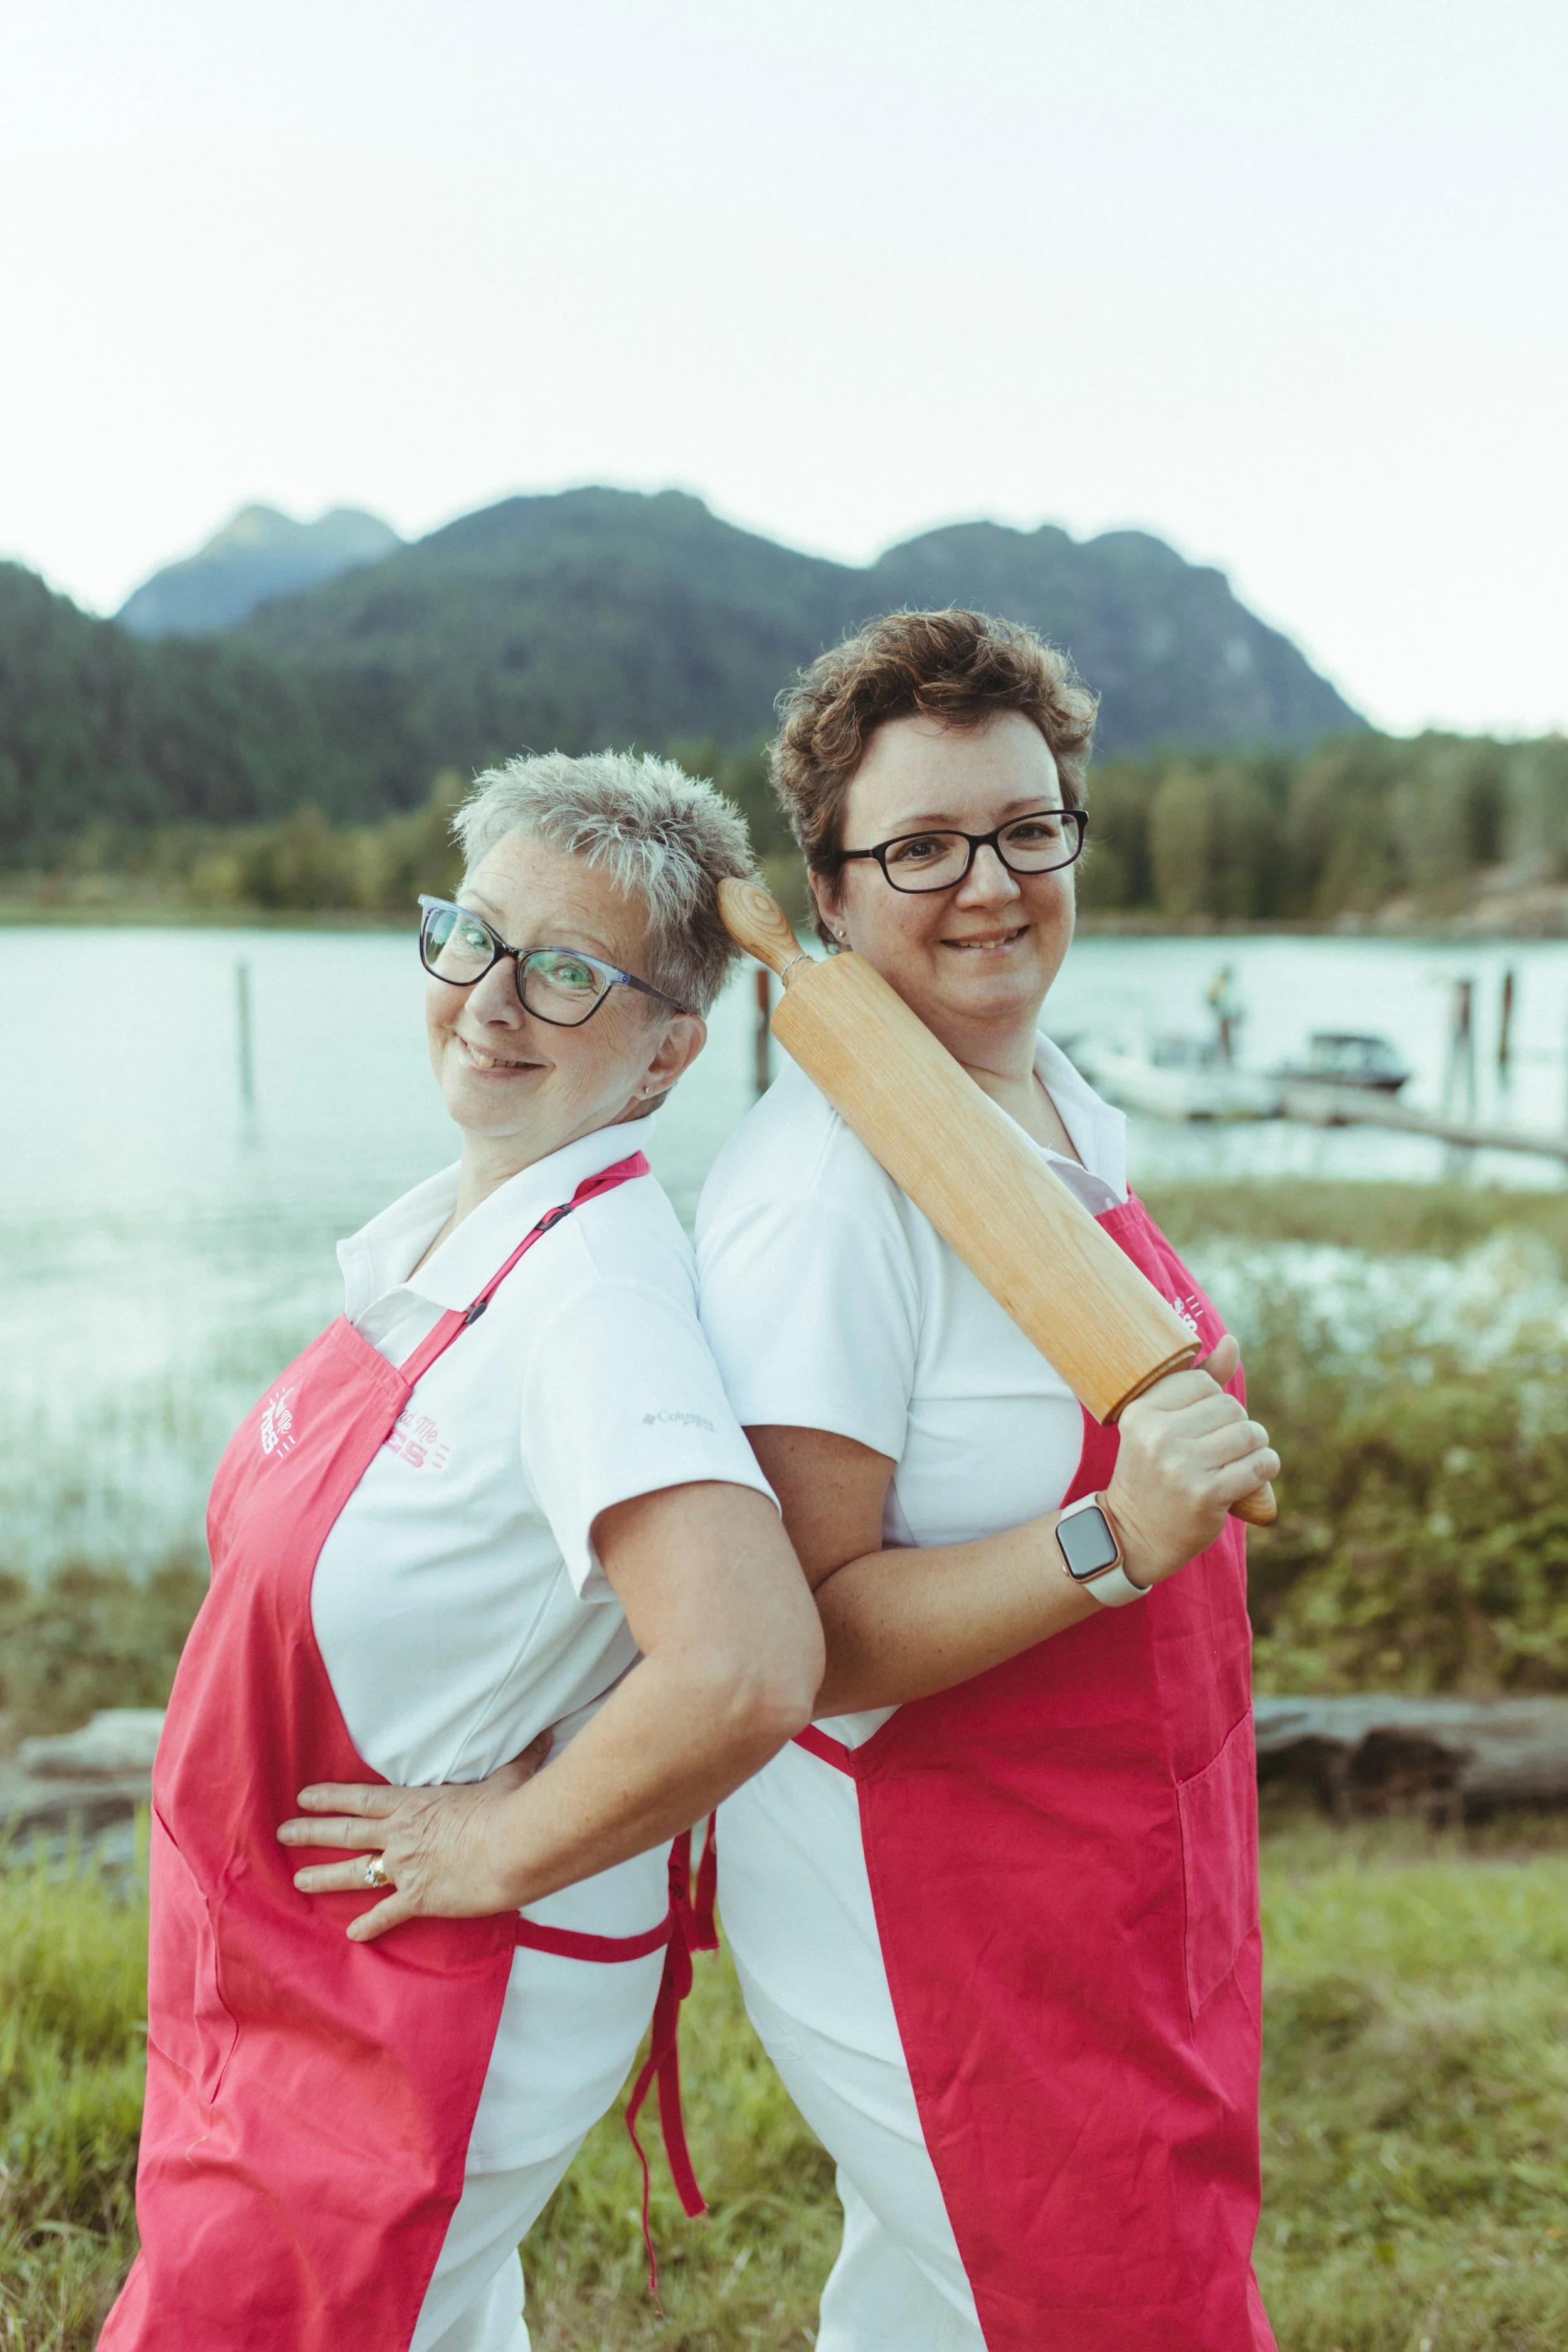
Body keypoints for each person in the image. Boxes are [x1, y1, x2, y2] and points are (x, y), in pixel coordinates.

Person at [101, 751, 824, 2352]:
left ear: (664, 1053)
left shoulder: (601, 1302)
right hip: (302, 1960)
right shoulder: (461, 1230)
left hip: (427, 1994)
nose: (493, 1000)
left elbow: (749, 1659)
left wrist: (492, 1851)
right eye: (471, 936)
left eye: (567, 972)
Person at [696, 611, 1281, 2352]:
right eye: (922, 845)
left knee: (938, 2307)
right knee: (1115, 2304)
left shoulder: (1057, 1108)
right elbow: (800, 1634)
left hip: (1130, 1843)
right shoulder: (822, 1193)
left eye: (1028, 826)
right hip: (940, 1893)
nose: (989, 883)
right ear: (829, 887)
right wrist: (1110, 1535)